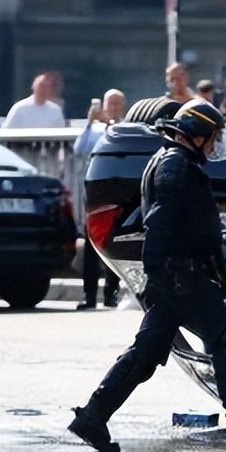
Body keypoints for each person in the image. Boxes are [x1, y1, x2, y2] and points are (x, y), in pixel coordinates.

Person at [69, 101, 226, 452]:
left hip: (176, 277)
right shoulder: (175, 167)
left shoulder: (175, 161)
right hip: (182, 277)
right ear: (197, 135)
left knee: (147, 351)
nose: (216, 144)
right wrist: (164, 276)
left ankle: (93, 416)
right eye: (213, 137)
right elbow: (159, 224)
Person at [74, 89, 128, 310]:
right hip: (96, 191)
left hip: (116, 190)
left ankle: (110, 294)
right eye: (110, 104)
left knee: (113, 243)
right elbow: (79, 149)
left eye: (117, 104)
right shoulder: (95, 130)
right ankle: (89, 295)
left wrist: (114, 124)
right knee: (90, 246)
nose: (113, 108)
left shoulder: (125, 128)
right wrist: (89, 123)